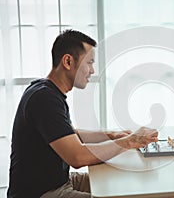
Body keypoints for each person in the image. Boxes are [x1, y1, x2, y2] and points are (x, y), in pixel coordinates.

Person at [7, 30, 158, 198]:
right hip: (41, 193)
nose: (92, 70)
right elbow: (77, 157)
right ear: (68, 61)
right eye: (89, 63)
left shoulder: (48, 92)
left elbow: (73, 134)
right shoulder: (44, 98)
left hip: (59, 181)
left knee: (120, 181)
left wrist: (112, 135)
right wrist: (129, 142)